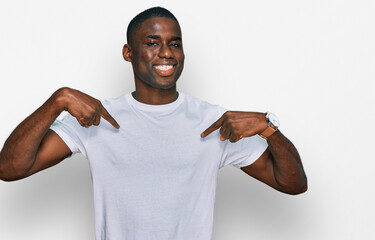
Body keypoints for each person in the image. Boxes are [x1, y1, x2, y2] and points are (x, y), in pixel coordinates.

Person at [0, 6, 307, 240]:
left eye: (175, 44)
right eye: (152, 42)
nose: (165, 53)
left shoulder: (214, 123)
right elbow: (9, 169)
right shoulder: (95, 118)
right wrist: (58, 100)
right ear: (128, 52)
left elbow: (292, 184)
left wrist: (269, 129)